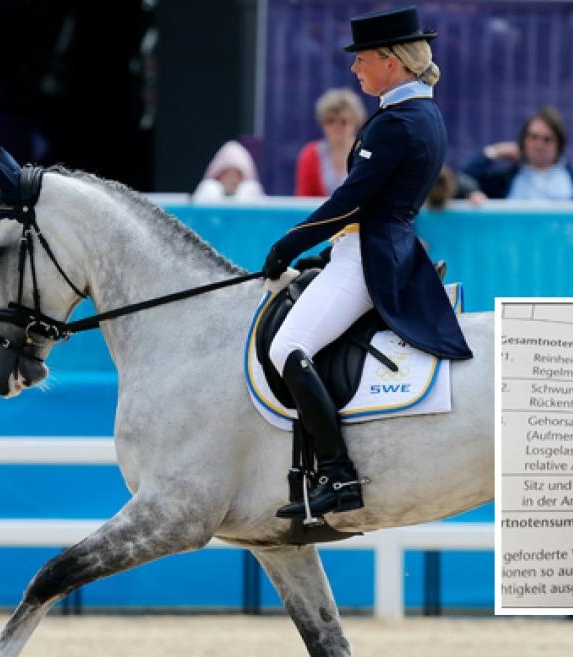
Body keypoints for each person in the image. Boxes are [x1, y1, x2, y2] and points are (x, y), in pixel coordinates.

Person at [261, 6, 472, 519]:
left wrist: (286, 247)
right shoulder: (424, 114)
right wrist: (323, 251)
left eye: (361, 60)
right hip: (370, 248)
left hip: (369, 260)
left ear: (390, 61)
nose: (354, 70)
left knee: (287, 346)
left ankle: (338, 474)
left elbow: (349, 203)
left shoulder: (396, 124)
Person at [461, 105, 573, 201]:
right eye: (533, 137)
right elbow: (462, 179)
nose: (539, 145)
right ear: (523, 141)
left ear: (559, 145)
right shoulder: (506, 178)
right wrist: (494, 152)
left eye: (547, 139)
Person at [295, 88, 367, 196]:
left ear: (355, 122)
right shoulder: (310, 155)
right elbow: (302, 199)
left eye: (343, 121)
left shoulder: (367, 153)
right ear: (322, 123)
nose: (337, 127)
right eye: (330, 121)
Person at [192, 140, 265, 202]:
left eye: (237, 175)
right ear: (218, 175)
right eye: (228, 174)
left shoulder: (250, 190)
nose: (232, 180)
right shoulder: (208, 189)